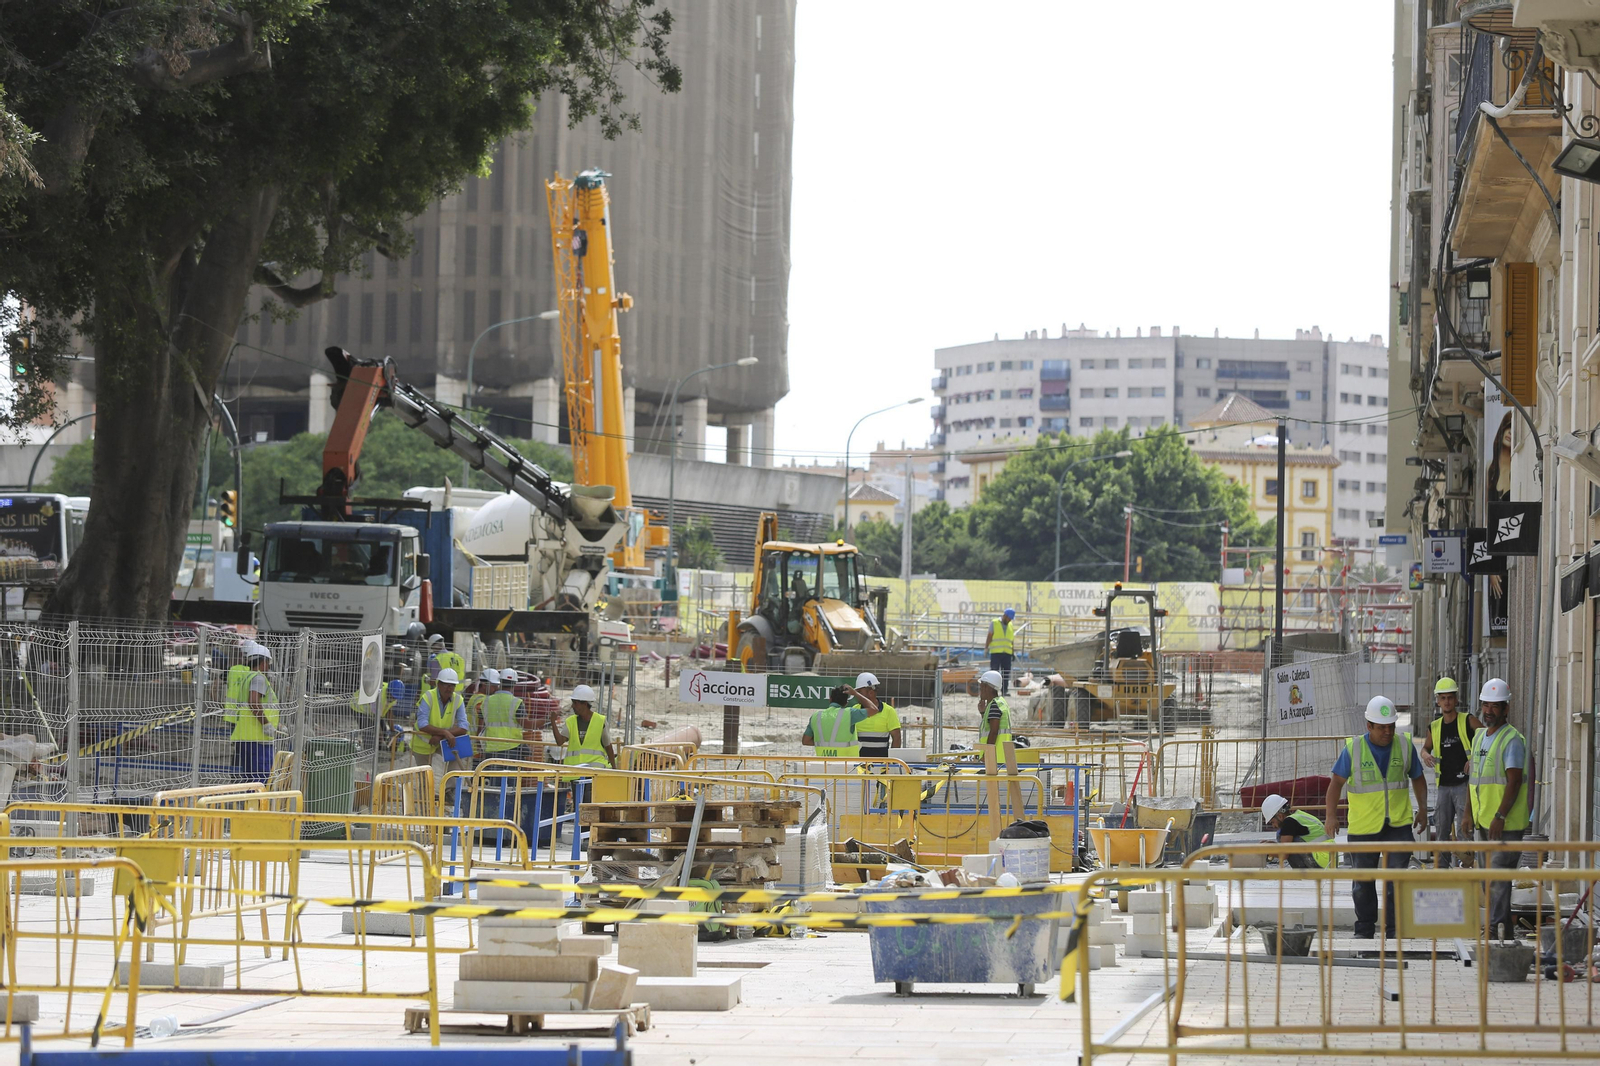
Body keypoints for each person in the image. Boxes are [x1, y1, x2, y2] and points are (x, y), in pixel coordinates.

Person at [1325, 694, 1428, 939]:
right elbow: (1335, 783)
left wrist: (1423, 809)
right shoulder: (1353, 749)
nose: (1388, 732)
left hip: (1398, 825)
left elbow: (1418, 778)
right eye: (1381, 727)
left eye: (1391, 726)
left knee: (1396, 882)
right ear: (1369, 726)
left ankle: (1395, 932)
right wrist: (1330, 816)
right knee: (1363, 883)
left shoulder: (1404, 745)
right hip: (1364, 827)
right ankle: (1364, 931)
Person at [1462, 677, 1529, 940]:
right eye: (1486, 705)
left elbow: (1514, 781)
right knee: (1487, 880)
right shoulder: (1480, 737)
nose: (1489, 711)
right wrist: (1467, 813)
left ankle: (1496, 930)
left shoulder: (1512, 740)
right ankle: (1501, 930)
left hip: (1505, 825)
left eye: (1495, 706)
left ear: (1505, 709)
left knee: (1498, 881)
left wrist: (1500, 816)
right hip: (1484, 823)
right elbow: (1474, 780)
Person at [1420, 676, 1481, 867]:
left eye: (1450, 697)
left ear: (1456, 699)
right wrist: (1425, 755)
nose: (1446, 701)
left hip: (1464, 785)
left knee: (1465, 828)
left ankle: (1465, 867)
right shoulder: (1435, 727)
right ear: (1438, 701)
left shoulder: (1468, 720)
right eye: (1443, 698)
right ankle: (1442, 871)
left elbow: (1487, 740)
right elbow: (1425, 748)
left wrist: (1474, 759)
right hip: (1444, 786)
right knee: (1441, 829)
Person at [548, 685, 615, 842]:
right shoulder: (571, 722)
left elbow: (608, 747)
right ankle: (585, 837)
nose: (573, 706)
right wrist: (553, 723)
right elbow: (560, 741)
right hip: (576, 772)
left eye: (576, 703)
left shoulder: (600, 721)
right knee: (580, 805)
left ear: (585, 703)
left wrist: (614, 769)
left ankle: (588, 837)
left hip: (594, 772)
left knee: (588, 804)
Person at [226, 642, 279, 783]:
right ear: (263, 662)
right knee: (260, 779)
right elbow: (254, 702)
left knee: (249, 778)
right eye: (268, 663)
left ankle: (248, 798)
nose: (268, 667)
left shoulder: (246, 677)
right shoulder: (259, 678)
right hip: (259, 738)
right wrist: (266, 724)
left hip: (245, 736)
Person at [410, 667, 468, 776]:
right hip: (423, 743)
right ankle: (427, 787)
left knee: (459, 752)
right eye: (446, 684)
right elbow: (422, 724)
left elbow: (464, 726)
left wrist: (441, 736)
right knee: (425, 779)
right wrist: (445, 733)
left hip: (444, 741)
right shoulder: (428, 697)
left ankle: (450, 786)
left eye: (452, 685)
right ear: (438, 684)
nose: (449, 688)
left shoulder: (458, 699)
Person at [1261, 793, 1331, 870]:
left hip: (1322, 860)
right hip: (1330, 858)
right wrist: (1271, 844)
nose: (1273, 826)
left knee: (1282, 837)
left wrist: (1266, 849)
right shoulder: (1298, 817)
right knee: (1285, 839)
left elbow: (1284, 854)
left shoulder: (1289, 822)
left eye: (1272, 822)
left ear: (1280, 816)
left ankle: (1302, 873)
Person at [801, 685, 870, 757]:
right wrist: (856, 693)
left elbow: (806, 741)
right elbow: (873, 709)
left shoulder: (816, 716)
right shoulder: (850, 714)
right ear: (846, 703)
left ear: (830, 699)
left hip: (823, 762)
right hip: (847, 762)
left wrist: (824, 743)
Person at [474, 668, 526, 762]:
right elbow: (526, 724)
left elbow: (480, 727)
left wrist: (479, 745)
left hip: (491, 748)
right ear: (514, 684)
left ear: (500, 682)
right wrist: (545, 719)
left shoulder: (486, 701)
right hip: (512, 748)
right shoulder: (517, 702)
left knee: (492, 771)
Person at [846, 672, 901, 757]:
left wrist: (892, 761)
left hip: (881, 763)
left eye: (859, 692)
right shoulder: (855, 710)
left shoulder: (889, 711)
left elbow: (896, 738)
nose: (856, 695)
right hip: (859, 763)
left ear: (871, 692)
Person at [984, 608, 1018, 696]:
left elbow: (1011, 640)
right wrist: (986, 648)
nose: (1010, 620)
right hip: (996, 652)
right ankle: (992, 691)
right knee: (994, 672)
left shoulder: (1010, 625)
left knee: (1006, 672)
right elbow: (989, 636)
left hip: (1007, 653)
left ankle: (1004, 691)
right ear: (1005, 616)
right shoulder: (994, 623)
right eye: (1009, 618)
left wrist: (1012, 651)